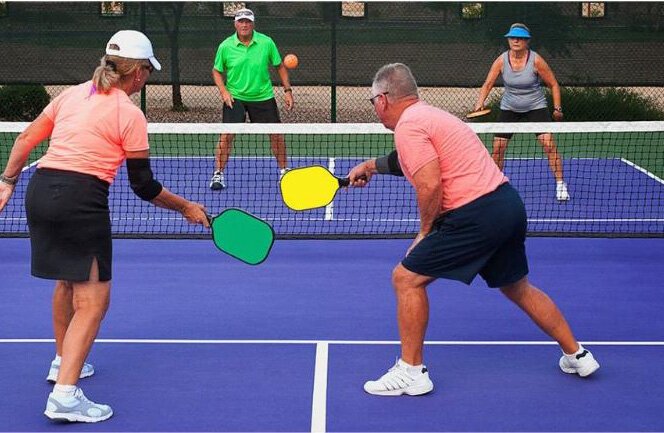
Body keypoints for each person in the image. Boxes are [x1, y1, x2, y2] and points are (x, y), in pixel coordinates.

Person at [348, 63, 599, 397]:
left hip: (475, 214)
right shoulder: (432, 116)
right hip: (507, 206)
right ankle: (577, 354)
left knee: (406, 278)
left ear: (382, 99)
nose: (375, 108)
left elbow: (429, 181)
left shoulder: (407, 126)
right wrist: (370, 166)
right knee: (517, 287)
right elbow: (408, 160)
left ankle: (411, 371)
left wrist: (425, 231)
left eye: (372, 102)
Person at [0, 30, 209, 422]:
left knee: (67, 282)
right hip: (80, 202)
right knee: (94, 301)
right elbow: (143, 185)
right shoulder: (130, 114)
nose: (148, 76)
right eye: (148, 69)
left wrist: (7, 182)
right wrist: (184, 207)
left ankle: (62, 361)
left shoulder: (73, 94)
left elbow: (27, 137)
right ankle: (65, 396)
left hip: (40, 193)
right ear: (139, 73)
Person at [474, 23, 570, 202]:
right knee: (498, 147)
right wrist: (480, 103)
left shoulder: (536, 60)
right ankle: (495, 186)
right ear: (508, 40)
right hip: (509, 107)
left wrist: (557, 109)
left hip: (535, 106)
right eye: (512, 37)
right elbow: (487, 84)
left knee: (549, 144)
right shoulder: (502, 60)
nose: (516, 40)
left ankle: (560, 183)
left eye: (520, 38)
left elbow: (553, 84)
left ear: (527, 41)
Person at [210, 7, 294, 190]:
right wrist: (224, 92)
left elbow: (280, 66)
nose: (244, 24)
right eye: (241, 21)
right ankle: (218, 174)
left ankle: (284, 172)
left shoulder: (266, 42)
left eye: (248, 21)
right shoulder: (225, 46)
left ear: (253, 23)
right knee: (227, 135)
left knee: (276, 134)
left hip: (263, 97)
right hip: (236, 98)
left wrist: (287, 91)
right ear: (235, 24)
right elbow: (216, 71)